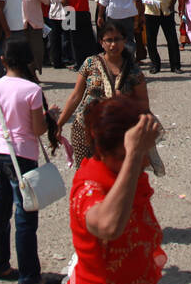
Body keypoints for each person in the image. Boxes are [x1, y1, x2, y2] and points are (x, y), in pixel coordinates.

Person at [55, 95, 165, 284]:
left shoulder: (130, 178)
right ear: (103, 151)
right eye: (123, 157)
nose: (141, 162)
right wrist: (133, 154)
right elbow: (108, 226)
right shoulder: (89, 185)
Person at [0, 40, 57, 284]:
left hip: (0, 152)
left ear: (3, 61)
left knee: (0, 209)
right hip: (24, 156)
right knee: (25, 217)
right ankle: (29, 277)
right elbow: (38, 129)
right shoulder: (32, 90)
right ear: (29, 62)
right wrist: (52, 119)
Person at [55, 20, 162, 175]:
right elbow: (76, 96)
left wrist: (125, 103)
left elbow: (143, 105)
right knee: (85, 175)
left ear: (124, 41)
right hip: (84, 129)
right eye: (109, 40)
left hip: (117, 133)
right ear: (101, 42)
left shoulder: (133, 71)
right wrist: (59, 124)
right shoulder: (90, 63)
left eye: (117, 39)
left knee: (113, 176)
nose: (113, 45)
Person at [142, 0, 182, 74]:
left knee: (172, 40)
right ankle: (155, 64)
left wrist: (171, 5)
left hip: (166, 12)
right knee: (151, 41)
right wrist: (146, 0)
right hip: (151, 12)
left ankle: (175, 65)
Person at [18, 0, 52, 76]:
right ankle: (24, 75)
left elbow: (47, 0)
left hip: (35, 22)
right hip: (19, 23)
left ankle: (33, 72)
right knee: (21, 52)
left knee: (37, 51)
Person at [44, 0, 69, 70]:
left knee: (54, 39)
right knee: (66, 37)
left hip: (52, 11)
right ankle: (66, 58)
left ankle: (55, 60)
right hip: (64, 11)